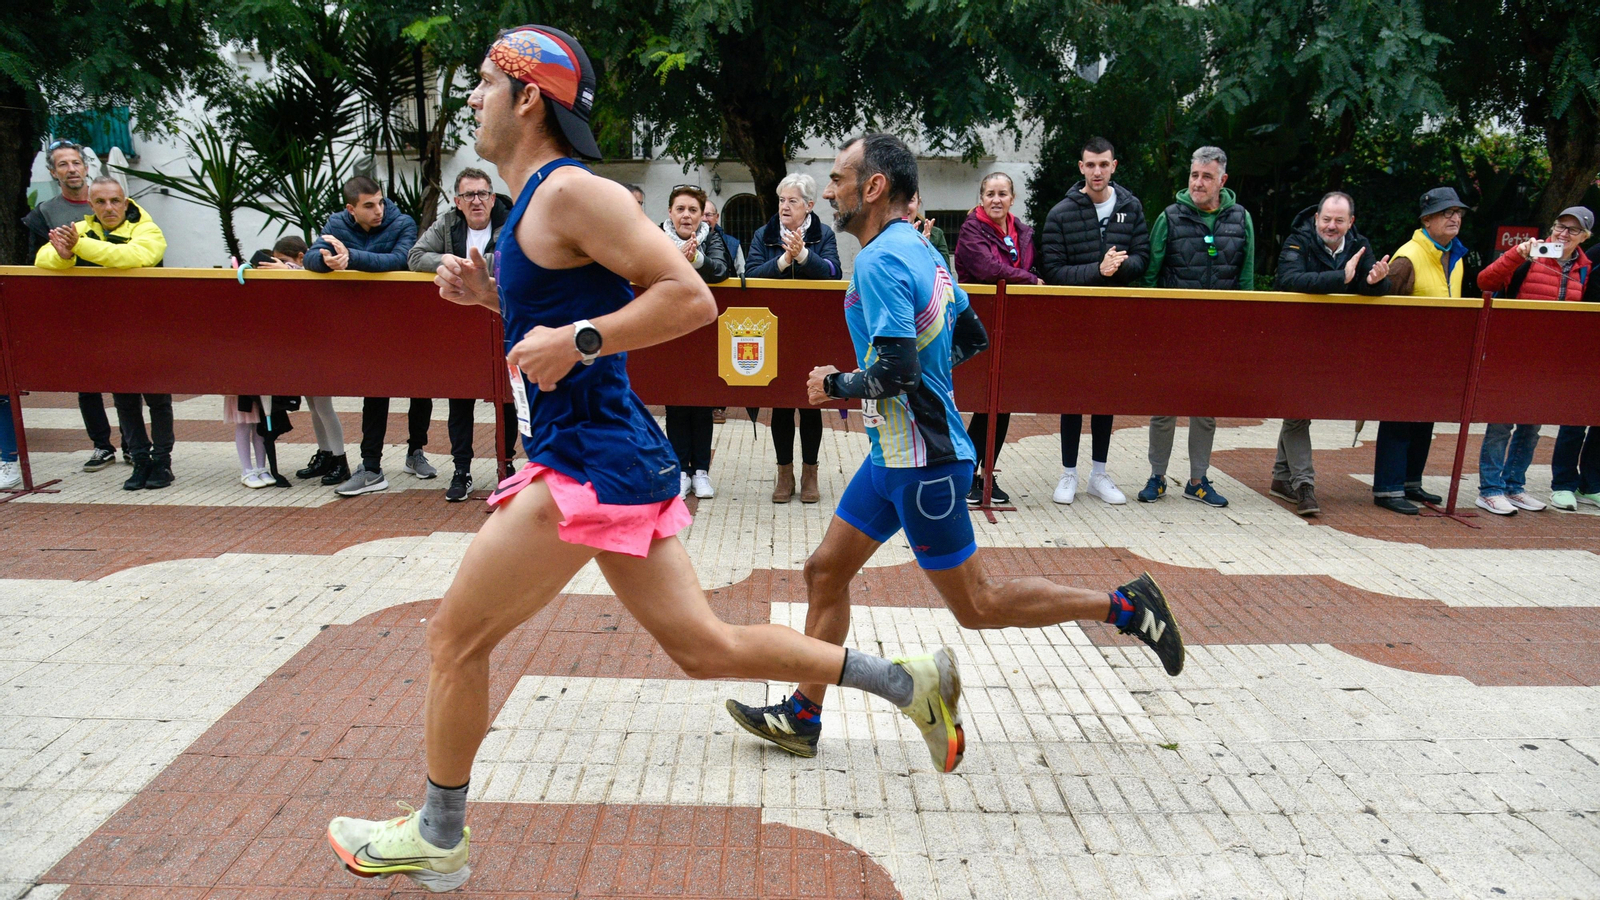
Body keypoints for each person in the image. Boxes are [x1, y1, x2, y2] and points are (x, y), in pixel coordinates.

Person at [325, 29, 967, 894]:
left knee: (454, 637)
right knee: (704, 647)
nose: (469, 99)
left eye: (481, 84)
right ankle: (905, 680)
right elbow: (561, 313)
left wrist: (581, 339)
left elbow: (689, 298)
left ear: (528, 99)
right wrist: (497, 300)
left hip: (585, 464)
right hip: (606, 457)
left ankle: (440, 833)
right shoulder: (538, 203)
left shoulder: (570, 191)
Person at [723, 132, 1184, 763]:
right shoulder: (919, 247)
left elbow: (896, 371)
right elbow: (970, 334)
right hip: (895, 454)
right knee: (824, 571)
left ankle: (1127, 607)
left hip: (924, 464)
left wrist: (836, 384)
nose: (829, 191)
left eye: (837, 178)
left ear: (874, 186)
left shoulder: (883, 260)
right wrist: (922, 385)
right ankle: (804, 715)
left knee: (979, 605)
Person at [36, 175, 177, 490]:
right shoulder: (80, 231)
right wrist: (63, 254)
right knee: (125, 401)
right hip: (109, 334)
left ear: (125, 203)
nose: (109, 207)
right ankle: (140, 462)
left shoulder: (147, 229)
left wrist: (78, 246)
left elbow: (133, 258)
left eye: (115, 201)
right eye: (100, 201)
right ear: (91, 205)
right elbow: (43, 259)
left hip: (150, 330)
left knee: (158, 400)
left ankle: (163, 464)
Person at [1135, 146, 1255, 509]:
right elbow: (1150, 276)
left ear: (1222, 180)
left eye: (1206, 176)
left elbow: (1246, 279)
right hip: (1173, 330)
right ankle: (1157, 476)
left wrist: (1242, 329)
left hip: (1218, 332)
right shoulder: (1169, 217)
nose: (1198, 183)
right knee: (1164, 406)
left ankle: (1198, 480)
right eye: (1194, 175)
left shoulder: (1241, 218)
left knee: (1206, 408)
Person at [1038, 136, 1151, 507]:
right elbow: (1052, 270)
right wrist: (1098, 270)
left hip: (1116, 319)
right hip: (1074, 319)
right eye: (1090, 165)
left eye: (1104, 164)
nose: (1097, 171)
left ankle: (1099, 474)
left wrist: (1120, 266)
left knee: (1106, 395)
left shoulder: (1132, 207)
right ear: (1081, 167)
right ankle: (1068, 473)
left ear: (1114, 166)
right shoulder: (1061, 213)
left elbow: (1144, 258)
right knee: (1072, 396)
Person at [1269, 191, 1391, 516]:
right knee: (1298, 409)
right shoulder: (1297, 240)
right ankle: (1304, 485)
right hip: (1295, 339)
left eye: (1339, 220)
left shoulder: (1360, 244)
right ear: (1316, 219)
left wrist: (1376, 281)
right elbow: (1289, 280)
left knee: (1300, 410)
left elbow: (1368, 284)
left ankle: (1281, 478)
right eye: (1326, 219)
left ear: (1351, 222)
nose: (1331, 226)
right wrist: (1342, 277)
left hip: (1335, 345)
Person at [304, 176, 427, 497]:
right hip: (364, 328)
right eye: (369, 205)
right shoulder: (336, 224)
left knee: (422, 388)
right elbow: (310, 257)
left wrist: (351, 259)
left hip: (405, 322)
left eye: (381, 202)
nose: (379, 211)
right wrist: (326, 261)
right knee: (375, 392)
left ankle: (416, 452)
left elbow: (403, 259)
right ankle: (371, 468)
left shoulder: (402, 222)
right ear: (351, 209)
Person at [408, 167, 522, 501]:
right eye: (469, 195)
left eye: (483, 194)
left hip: (500, 319)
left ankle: (507, 466)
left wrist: (461, 267)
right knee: (459, 399)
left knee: (507, 399)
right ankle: (462, 470)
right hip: (459, 325)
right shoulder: (446, 223)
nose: (477, 201)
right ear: (458, 201)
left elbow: (515, 260)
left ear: (492, 197)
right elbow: (415, 257)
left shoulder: (512, 220)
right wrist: (449, 259)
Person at [1472, 205, 1593, 515]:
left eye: (1572, 230)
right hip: (1512, 354)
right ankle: (1490, 489)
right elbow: (1485, 282)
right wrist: (1516, 255)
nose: (1563, 234)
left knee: (1531, 428)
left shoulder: (1584, 268)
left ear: (1584, 237)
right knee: (1501, 425)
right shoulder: (1528, 256)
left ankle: (1514, 486)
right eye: (1559, 226)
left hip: (1549, 361)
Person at [26, 142, 125, 472]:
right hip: (75, 309)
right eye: (62, 164)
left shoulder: (114, 204)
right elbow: (36, 265)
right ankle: (101, 445)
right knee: (87, 382)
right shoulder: (44, 215)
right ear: (53, 173)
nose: (71, 169)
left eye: (76, 163)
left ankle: (133, 443)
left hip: (116, 306)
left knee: (127, 378)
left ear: (86, 167)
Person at [1371, 187, 1471, 515]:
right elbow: (1386, 311)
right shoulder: (1408, 257)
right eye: (1446, 213)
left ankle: (1411, 481)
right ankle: (1387, 489)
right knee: (1399, 423)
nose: (1454, 217)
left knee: (1425, 422)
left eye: (1457, 212)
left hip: (1438, 358)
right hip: (1405, 358)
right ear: (1427, 220)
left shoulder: (1454, 256)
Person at [747, 173, 842, 503]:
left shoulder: (823, 234)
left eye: (792, 201)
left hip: (812, 331)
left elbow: (834, 273)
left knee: (812, 403)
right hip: (775, 331)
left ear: (809, 205)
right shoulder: (764, 234)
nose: (784, 207)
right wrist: (784, 260)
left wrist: (803, 256)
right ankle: (784, 474)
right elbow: (751, 275)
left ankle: (810, 474)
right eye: (781, 200)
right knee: (782, 405)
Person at [954, 171, 1040, 505]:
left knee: (1002, 402)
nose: (996, 200)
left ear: (1012, 198)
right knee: (983, 401)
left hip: (1014, 325)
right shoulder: (971, 230)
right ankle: (967, 474)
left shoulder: (1023, 232)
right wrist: (1030, 280)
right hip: (980, 323)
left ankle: (986, 474)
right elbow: (988, 268)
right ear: (981, 198)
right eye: (990, 193)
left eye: (1002, 193)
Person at [660, 184, 731, 500]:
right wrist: (674, 261)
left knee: (702, 402)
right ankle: (680, 471)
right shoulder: (657, 238)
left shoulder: (712, 237)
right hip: (670, 329)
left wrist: (697, 258)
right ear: (670, 212)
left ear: (702, 215)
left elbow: (720, 270)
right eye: (680, 209)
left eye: (692, 210)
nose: (686, 215)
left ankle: (701, 471)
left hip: (705, 330)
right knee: (675, 403)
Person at [906, 190, 950, 267]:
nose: (904, 206)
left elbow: (945, 273)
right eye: (897, 201)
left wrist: (925, 249)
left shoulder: (936, 234)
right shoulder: (881, 233)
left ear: (918, 203)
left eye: (910, 200)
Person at [705, 197, 742, 275]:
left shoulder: (733, 243)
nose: (704, 219)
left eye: (708, 215)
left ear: (717, 217)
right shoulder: (686, 239)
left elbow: (742, 275)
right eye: (700, 214)